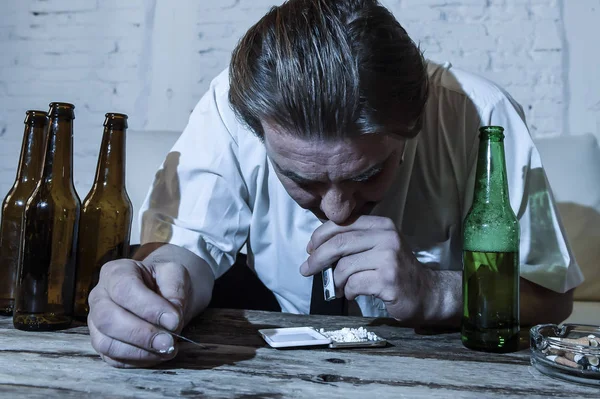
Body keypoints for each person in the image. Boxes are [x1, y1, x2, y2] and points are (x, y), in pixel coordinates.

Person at [88, 0, 583, 368]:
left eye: (368, 173)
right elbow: (185, 251)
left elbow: (552, 295)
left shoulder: (481, 115)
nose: (339, 209)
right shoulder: (231, 107)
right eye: (300, 178)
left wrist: (438, 293)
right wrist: (153, 287)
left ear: (415, 123)